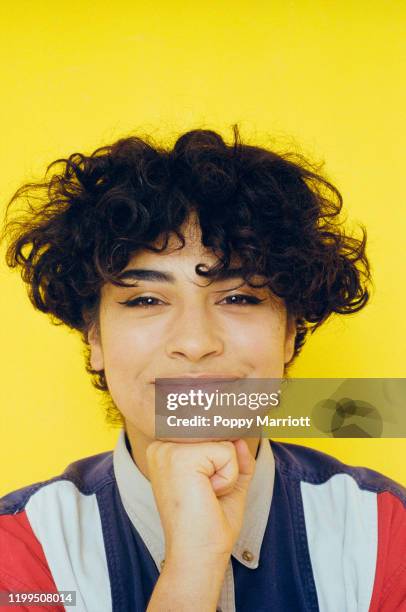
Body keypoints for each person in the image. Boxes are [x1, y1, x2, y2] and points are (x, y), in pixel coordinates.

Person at [0, 126, 404, 612]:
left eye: (238, 297)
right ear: (95, 338)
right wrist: (191, 564)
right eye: (146, 299)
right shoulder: (21, 549)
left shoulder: (384, 529)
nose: (195, 343)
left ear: (291, 332)